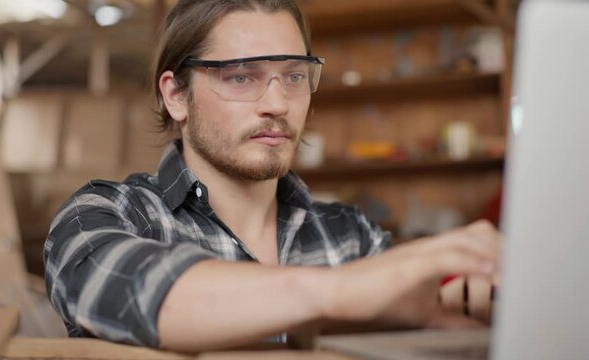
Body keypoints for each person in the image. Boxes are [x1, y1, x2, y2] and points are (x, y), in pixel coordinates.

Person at [44, 0, 501, 352]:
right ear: (177, 96)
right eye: (242, 77)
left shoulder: (351, 238)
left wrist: (468, 297)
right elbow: (140, 293)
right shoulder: (102, 216)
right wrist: (345, 290)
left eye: (295, 77)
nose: (278, 104)